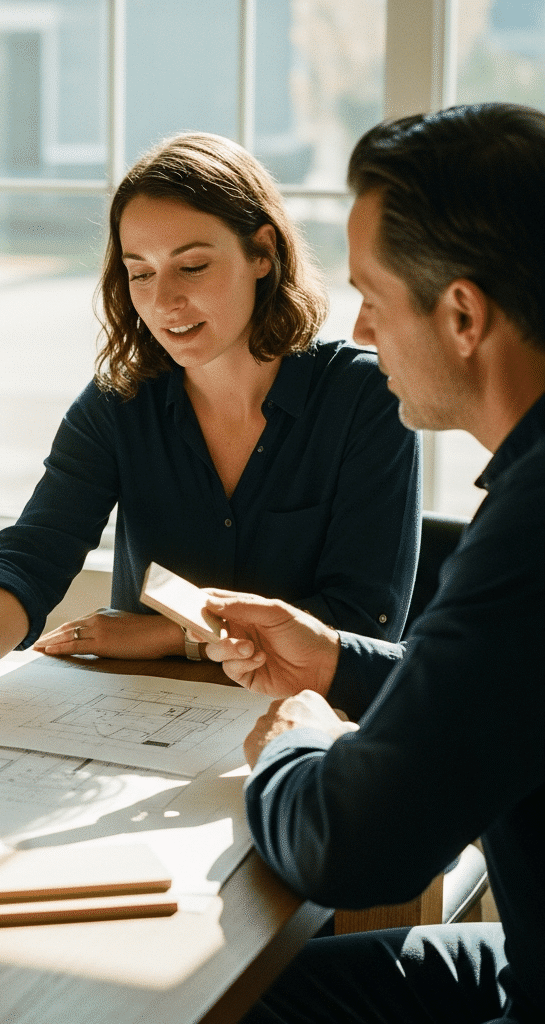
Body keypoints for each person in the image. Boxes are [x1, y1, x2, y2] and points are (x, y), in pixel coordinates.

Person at [0, 132, 420, 776]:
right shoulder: (119, 401)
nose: (164, 302)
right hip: (143, 727)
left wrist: (171, 635)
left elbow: (358, 626)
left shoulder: (367, 399)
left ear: (262, 254)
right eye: (140, 272)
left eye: (192, 266)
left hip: (306, 739)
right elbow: (32, 553)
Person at [196, 103, 544, 1023]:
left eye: (375, 298)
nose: (359, 327)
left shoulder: (535, 520)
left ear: (463, 314)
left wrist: (293, 743)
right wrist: (340, 662)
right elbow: (503, 680)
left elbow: (354, 845)